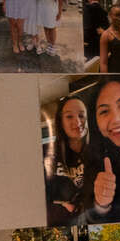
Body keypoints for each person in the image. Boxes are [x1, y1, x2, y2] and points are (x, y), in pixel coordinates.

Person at [75, 78, 120, 223]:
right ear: (95, 122)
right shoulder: (92, 159)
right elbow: (89, 217)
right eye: (104, 111)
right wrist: (101, 205)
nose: (117, 119)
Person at [45, 90, 91, 227]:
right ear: (61, 122)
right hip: (59, 228)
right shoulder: (47, 153)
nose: (77, 121)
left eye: (81, 115)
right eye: (69, 116)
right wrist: (64, 205)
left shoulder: (99, 153)